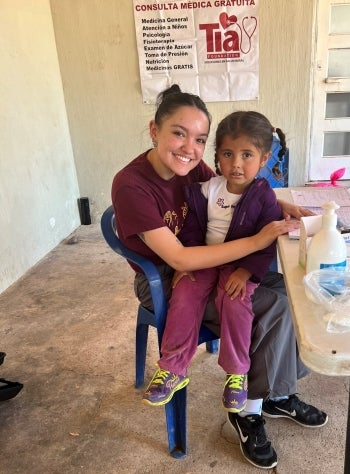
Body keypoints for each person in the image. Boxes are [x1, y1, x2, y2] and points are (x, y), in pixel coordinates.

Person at [112, 84, 327, 470]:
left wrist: (281, 205)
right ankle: (247, 413)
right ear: (154, 129)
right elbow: (180, 257)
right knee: (275, 305)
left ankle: (276, 392)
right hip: (168, 278)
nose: (188, 148)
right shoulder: (132, 184)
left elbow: (231, 191)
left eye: (199, 139)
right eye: (178, 133)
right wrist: (259, 240)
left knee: (291, 291)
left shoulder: (191, 167)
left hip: (211, 263)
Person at [142, 110, 284, 415]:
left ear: (264, 159)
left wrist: (247, 272)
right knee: (184, 295)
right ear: (217, 155)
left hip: (239, 267)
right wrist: (186, 263)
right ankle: (174, 368)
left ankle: (237, 373)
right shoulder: (208, 188)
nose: (236, 164)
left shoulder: (264, 196)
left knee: (234, 302)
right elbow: (192, 226)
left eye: (247, 155)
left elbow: (266, 243)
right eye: (228, 154)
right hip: (204, 261)